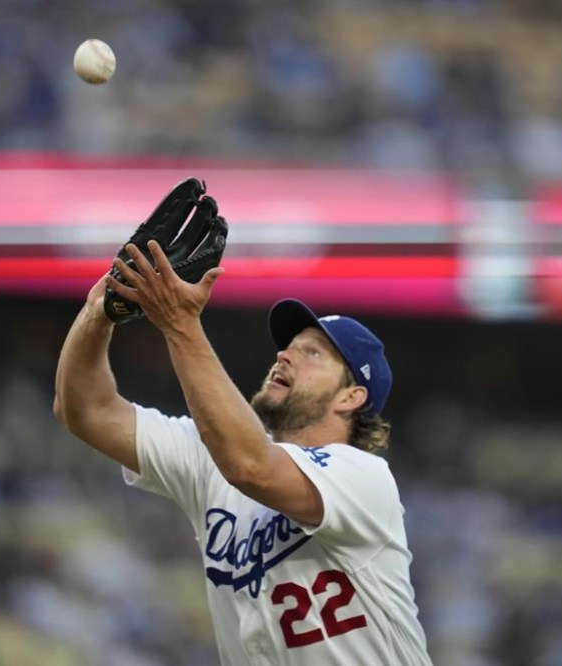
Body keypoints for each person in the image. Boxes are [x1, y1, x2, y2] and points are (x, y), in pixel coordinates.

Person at [54, 239, 430, 665]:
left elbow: (250, 466)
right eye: (288, 346)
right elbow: (85, 409)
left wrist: (180, 323)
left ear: (351, 397)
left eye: (313, 353)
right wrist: (99, 311)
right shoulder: (212, 457)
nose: (285, 355)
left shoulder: (362, 477)